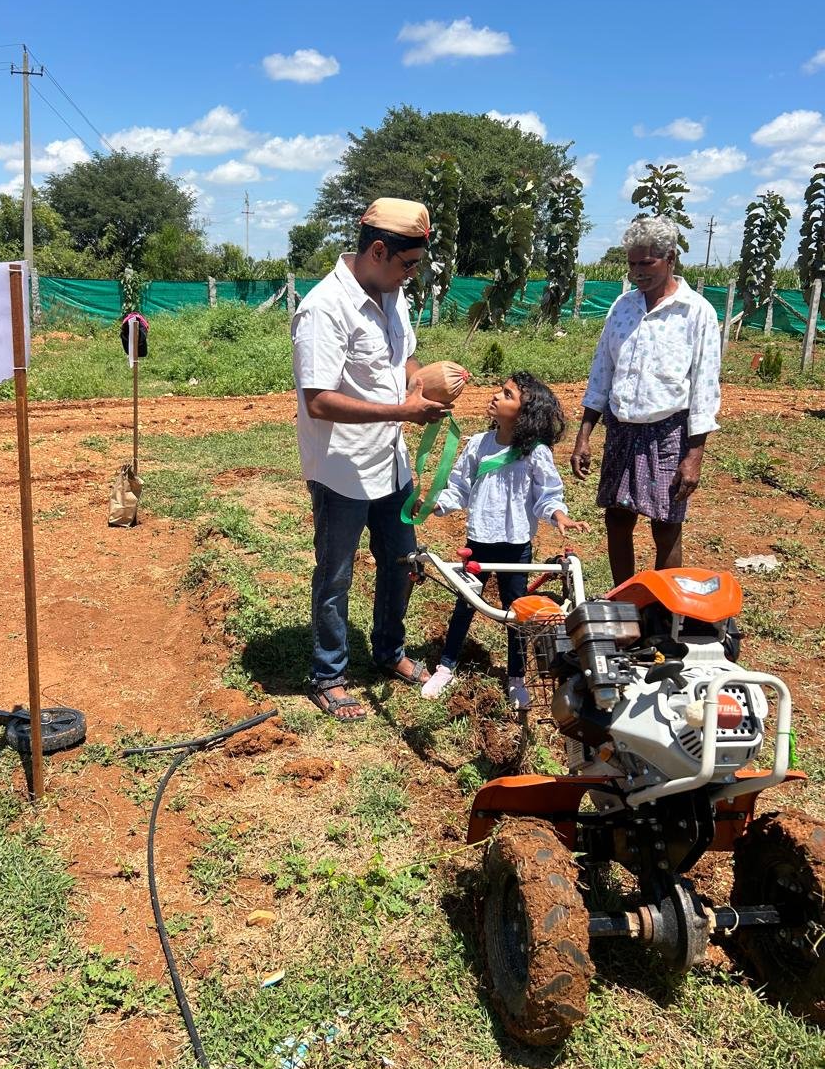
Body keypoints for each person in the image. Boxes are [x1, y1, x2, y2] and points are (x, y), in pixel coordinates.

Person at [292, 197, 448, 722]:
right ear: (378, 250)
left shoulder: (392, 294)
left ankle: (389, 651)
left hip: (390, 462)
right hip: (342, 468)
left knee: (401, 563)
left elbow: (405, 357)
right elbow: (319, 400)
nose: (411, 275)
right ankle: (328, 675)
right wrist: (403, 410)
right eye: (408, 264)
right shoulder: (324, 308)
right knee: (335, 574)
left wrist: (423, 383)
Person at [570, 215, 721, 586]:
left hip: (669, 432)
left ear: (670, 258)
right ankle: (624, 599)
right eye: (632, 263)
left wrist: (694, 457)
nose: (637, 272)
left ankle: (663, 609)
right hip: (621, 429)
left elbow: (704, 389)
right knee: (617, 517)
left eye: (646, 263)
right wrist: (584, 435)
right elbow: (602, 372)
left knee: (666, 525)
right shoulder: (623, 307)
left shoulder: (695, 311)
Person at [421, 372, 589, 703]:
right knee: (465, 605)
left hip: (516, 547)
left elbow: (548, 494)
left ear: (525, 413)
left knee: (516, 614)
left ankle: (516, 677)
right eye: (501, 390)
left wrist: (559, 515)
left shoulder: (535, 453)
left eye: (508, 395)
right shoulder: (477, 445)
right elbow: (459, 488)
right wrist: (436, 504)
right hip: (479, 542)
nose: (497, 396)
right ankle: (446, 667)